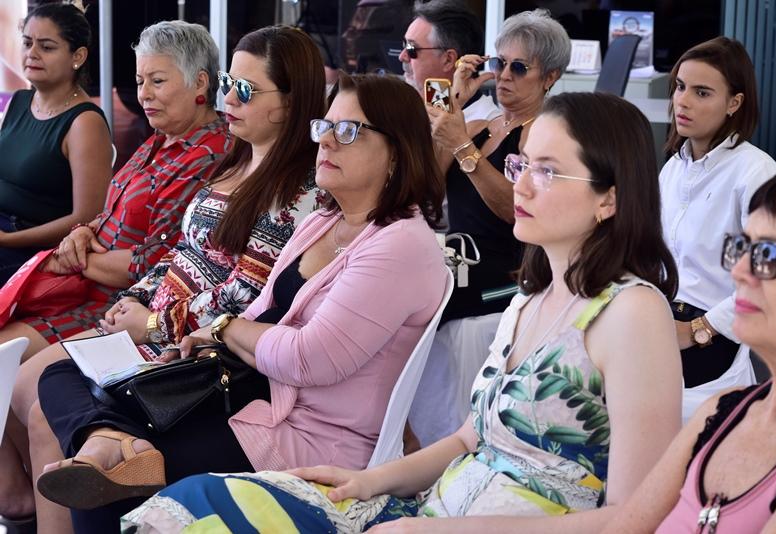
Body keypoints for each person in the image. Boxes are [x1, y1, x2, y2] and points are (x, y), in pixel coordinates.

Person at [121, 92, 683, 533]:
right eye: (522, 164)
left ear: (609, 198)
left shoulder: (632, 312)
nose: (521, 186)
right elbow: (468, 441)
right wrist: (368, 482)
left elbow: (634, 517)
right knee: (192, 504)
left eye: (548, 171)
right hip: (435, 511)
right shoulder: (530, 299)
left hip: (466, 523)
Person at [32, 72, 448, 534]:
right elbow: (261, 311)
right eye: (324, 126)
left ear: (397, 152)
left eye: (348, 130)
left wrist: (223, 328)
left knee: (113, 477)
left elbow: (307, 359)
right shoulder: (326, 222)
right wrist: (204, 338)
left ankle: (112, 449)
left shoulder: (400, 245)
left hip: (307, 437)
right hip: (248, 393)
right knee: (63, 375)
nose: (327, 141)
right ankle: (107, 439)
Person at [0, 25, 324, 533]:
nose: (227, 99)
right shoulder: (237, 160)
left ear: (290, 102)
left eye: (244, 89)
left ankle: (97, 466)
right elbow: (179, 253)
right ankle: (84, 472)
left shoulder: (296, 192)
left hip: (194, 350)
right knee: (41, 383)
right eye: (228, 84)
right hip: (148, 320)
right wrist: (135, 299)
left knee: (44, 402)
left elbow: (247, 296)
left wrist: (152, 323)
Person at [0, 20, 231, 364]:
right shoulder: (161, 139)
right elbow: (109, 213)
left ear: (200, 82)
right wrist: (83, 232)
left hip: (120, 308)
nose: (143, 94)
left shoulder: (209, 154)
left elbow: (154, 261)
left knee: (7, 360)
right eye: (139, 81)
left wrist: (73, 258)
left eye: (157, 81)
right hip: (78, 290)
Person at [604, 167, 776, 533]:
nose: (739, 271)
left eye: (768, 254)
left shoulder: (750, 167)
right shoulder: (722, 412)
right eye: (742, 248)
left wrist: (700, 329)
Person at [409, 9, 572, 448]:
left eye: (519, 68)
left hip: (503, 278)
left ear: (550, 77)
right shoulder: (481, 125)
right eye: (499, 63)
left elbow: (518, 211)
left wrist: (465, 149)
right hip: (460, 267)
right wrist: (452, 107)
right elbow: (425, 190)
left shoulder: (543, 134)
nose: (503, 76)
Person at [659, 37, 776, 395]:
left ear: (734, 103)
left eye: (702, 93)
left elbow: (769, 276)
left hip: (713, 331)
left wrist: (699, 330)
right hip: (661, 317)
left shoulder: (755, 173)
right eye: (680, 87)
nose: (682, 101)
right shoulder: (673, 168)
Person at [0, 2, 112, 285]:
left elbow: (86, 216)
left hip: (32, 248)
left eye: (47, 47)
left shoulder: (85, 122)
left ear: (78, 56)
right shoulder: (19, 101)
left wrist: (8, 239)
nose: (32, 53)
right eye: (27, 43)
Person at [400, 0, 499, 122]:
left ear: (448, 60)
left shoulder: (488, 124)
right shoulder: (413, 107)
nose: (402, 56)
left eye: (411, 48)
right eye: (404, 44)